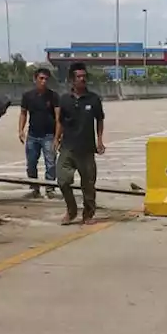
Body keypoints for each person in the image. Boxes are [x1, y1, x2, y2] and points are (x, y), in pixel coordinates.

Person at [55, 62, 105, 225]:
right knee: (62, 180)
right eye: (79, 77)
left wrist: (100, 140)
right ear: (72, 79)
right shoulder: (65, 99)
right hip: (68, 147)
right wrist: (56, 138)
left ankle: (88, 214)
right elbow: (60, 121)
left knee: (88, 184)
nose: (82, 79)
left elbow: (100, 120)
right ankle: (71, 210)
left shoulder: (94, 99)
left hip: (87, 149)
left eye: (84, 76)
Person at [19, 68, 60, 198]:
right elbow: (23, 113)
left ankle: (50, 189)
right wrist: (20, 130)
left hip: (49, 135)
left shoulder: (53, 96)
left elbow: (59, 117)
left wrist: (58, 137)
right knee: (31, 163)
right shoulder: (27, 96)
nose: (44, 81)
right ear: (35, 79)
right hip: (32, 135)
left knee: (51, 163)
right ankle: (34, 188)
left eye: (46, 79)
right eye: (41, 78)